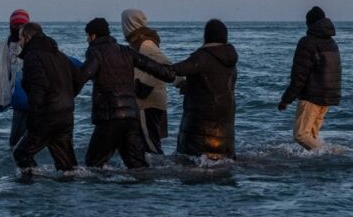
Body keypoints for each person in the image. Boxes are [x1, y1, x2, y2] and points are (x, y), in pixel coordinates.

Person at [80, 18, 175, 169]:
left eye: (87, 36)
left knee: (93, 164)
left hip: (110, 117)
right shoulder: (126, 51)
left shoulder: (95, 52)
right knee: (137, 165)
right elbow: (161, 71)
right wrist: (171, 74)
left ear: (93, 36)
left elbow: (83, 76)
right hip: (131, 116)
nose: (87, 40)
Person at [13, 22, 86, 173]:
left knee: (21, 154)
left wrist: (33, 118)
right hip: (66, 115)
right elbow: (79, 78)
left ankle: (33, 184)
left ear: (28, 37)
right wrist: (68, 97)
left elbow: (38, 88)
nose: (19, 42)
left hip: (46, 115)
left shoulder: (32, 56)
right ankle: (70, 185)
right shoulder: (60, 55)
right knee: (66, 165)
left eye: (20, 38)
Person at [172, 19, 239, 160]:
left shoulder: (203, 57)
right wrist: (190, 86)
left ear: (206, 35)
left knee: (191, 166)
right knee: (223, 166)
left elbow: (175, 70)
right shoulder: (230, 61)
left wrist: (143, 63)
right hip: (226, 135)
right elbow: (213, 87)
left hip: (200, 134)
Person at [278, 6, 342, 150]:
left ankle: (331, 153)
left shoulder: (307, 42)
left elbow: (299, 75)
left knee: (301, 135)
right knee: (311, 137)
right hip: (328, 96)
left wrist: (286, 100)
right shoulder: (332, 43)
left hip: (312, 96)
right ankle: (322, 159)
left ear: (309, 23)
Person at [121, 9, 172, 154]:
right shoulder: (140, 42)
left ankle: (160, 168)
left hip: (148, 102)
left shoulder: (144, 43)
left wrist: (143, 85)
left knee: (150, 146)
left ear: (129, 24)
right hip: (154, 100)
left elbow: (165, 64)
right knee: (148, 143)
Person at [0, 9, 31, 147]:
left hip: (32, 94)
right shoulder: (6, 43)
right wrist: (3, 98)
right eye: (16, 25)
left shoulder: (34, 43)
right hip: (17, 94)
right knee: (17, 138)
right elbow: (3, 71)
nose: (19, 28)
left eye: (22, 25)